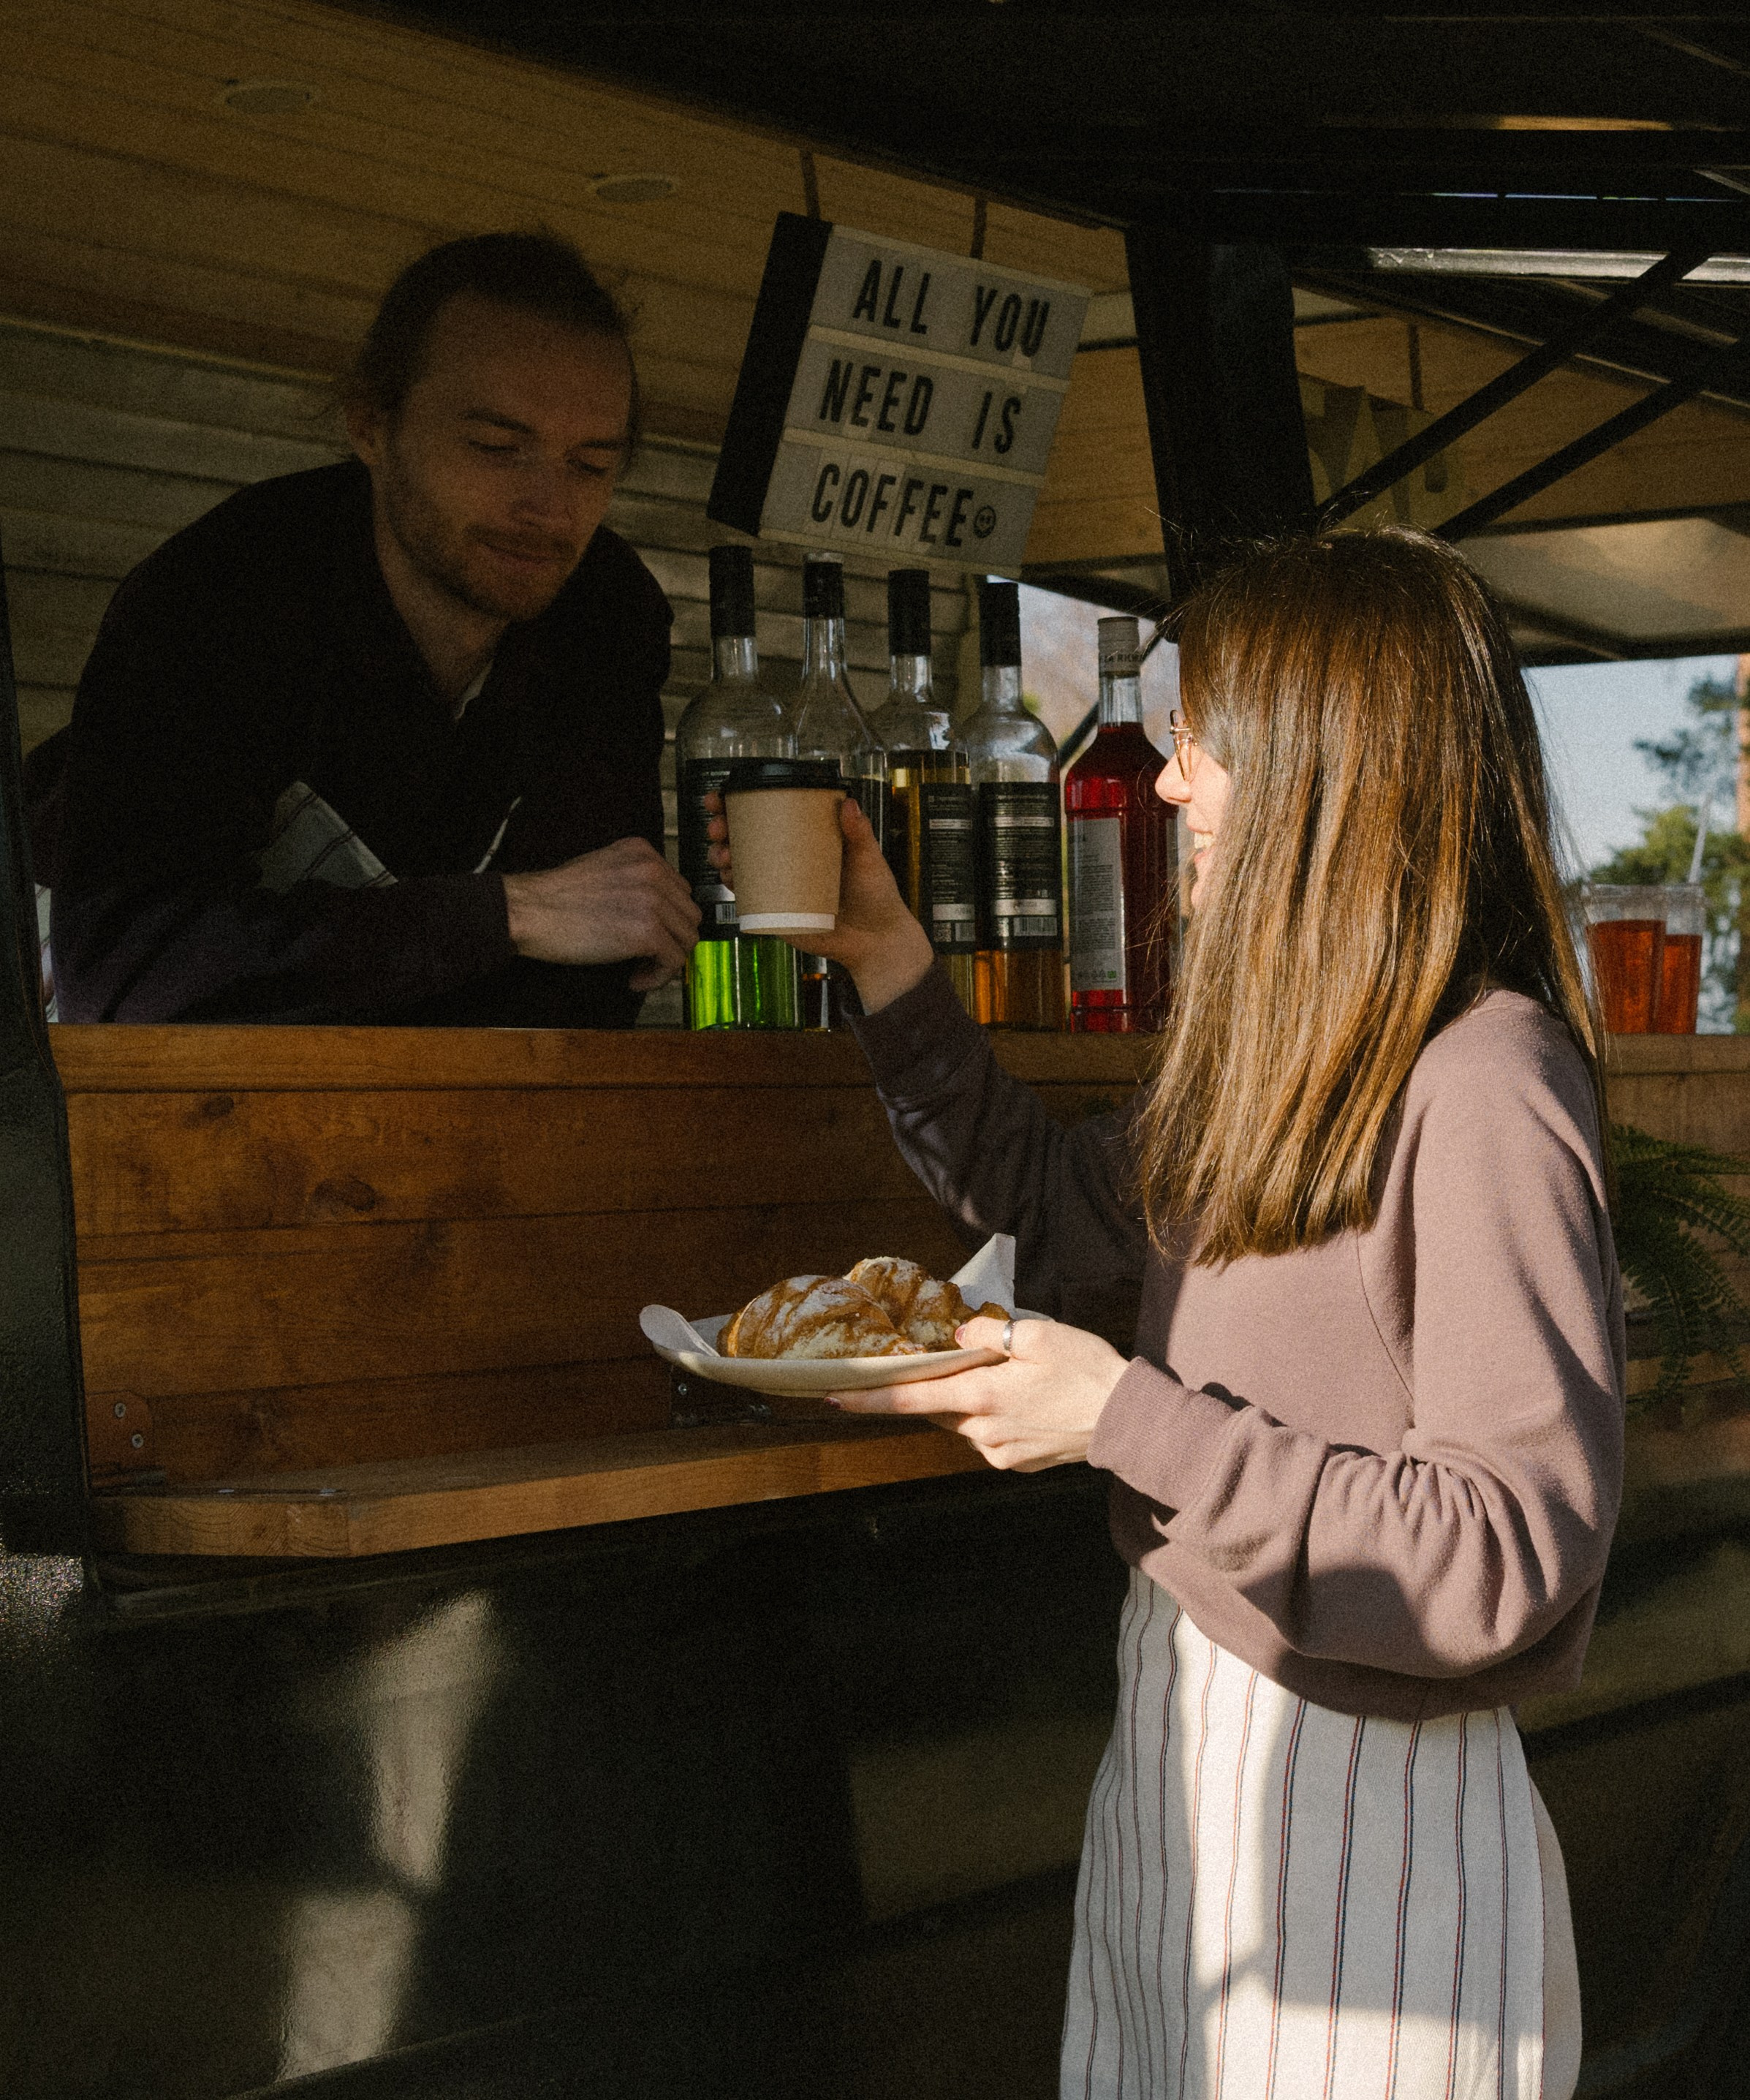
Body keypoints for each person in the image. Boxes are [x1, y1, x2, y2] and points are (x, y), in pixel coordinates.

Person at [713, 529, 1618, 2100]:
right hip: (1181, 1746)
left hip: (1369, 1816)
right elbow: (1045, 1210)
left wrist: (1121, 1418)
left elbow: (1506, 1555)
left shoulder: (1484, 1083)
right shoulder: (1271, 1061)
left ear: (1339, 757)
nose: (1174, 782)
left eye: (1204, 738)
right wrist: (884, 954)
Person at [35, 231, 700, 1024]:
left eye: (592, 465)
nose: (551, 510)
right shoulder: (225, 592)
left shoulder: (607, 613)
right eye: (497, 447)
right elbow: (128, 971)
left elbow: (596, 966)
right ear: (371, 427)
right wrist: (507, 916)